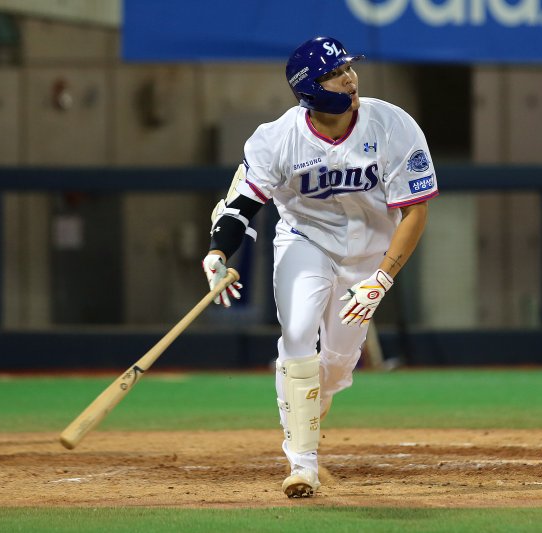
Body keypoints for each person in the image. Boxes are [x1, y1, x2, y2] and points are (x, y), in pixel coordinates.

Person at [201, 36, 438, 498]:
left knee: (337, 363)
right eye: (334, 73)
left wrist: (383, 277)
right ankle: (302, 463)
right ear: (309, 87)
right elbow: (240, 206)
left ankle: (318, 396)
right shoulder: (278, 137)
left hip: (371, 254)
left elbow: (416, 211)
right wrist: (217, 254)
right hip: (304, 241)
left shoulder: (392, 124)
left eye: (348, 69)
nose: (348, 78)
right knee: (297, 334)